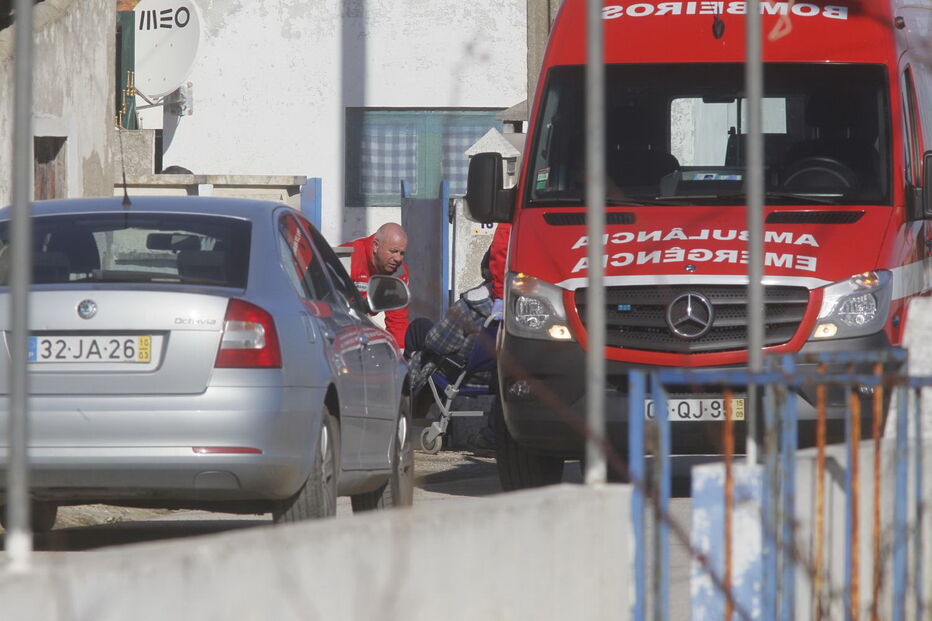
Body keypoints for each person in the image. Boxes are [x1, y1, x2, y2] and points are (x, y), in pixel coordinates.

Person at [405, 250, 499, 454]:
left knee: (419, 331)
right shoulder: (515, 307)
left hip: (460, 374)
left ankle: (408, 405)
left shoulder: (471, 306)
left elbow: (437, 342)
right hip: (491, 376)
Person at [342, 222, 410, 348]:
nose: (398, 259)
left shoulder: (399, 271)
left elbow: (398, 322)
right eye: (393, 251)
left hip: (363, 327)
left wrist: (400, 358)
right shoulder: (349, 259)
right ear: (375, 246)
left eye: (402, 253)